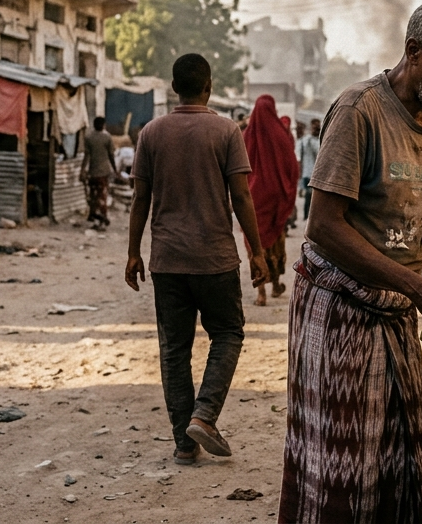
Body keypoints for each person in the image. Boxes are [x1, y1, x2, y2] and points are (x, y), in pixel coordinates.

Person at [278, 0, 422, 523]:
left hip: (394, 311)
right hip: (343, 309)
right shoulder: (358, 110)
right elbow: (323, 226)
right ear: (413, 51)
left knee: (407, 462)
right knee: (344, 467)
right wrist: (419, 289)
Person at [125, 54, 270, 467]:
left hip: (167, 260)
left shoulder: (151, 133)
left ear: (174, 88)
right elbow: (241, 196)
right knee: (227, 333)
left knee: (174, 350)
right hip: (216, 259)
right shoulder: (226, 130)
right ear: (208, 87)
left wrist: (134, 252)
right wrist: (256, 252)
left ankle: (183, 444)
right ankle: (204, 417)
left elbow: (140, 199)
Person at [243, 94, 299, 306]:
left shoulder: (246, 136)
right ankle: (276, 284)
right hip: (275, 201)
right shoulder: (281, 135)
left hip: (252, 201)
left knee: (254, 247)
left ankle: (261, 294)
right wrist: (287, 192)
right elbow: (293, 168)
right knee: (275, 244)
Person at [79, 116, 118, 228]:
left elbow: (86, 156)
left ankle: (96, 219)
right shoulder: (107, 137)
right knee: (102, 196)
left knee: (93, 196)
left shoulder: (89, 137)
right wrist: (115, 170)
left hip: (93, 173)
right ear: (103, 125)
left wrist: (82, 171)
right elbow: (111, 155)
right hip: (104, 173)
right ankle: (102, 219)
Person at [295, 119, 321, 223]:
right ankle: (307, 216)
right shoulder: (306, 140)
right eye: (314, 127)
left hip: (319, 174)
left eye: (317, 127)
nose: (316, 129)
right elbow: (299, 156)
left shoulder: (321, 140)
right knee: (308, 195)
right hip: (308, 173)